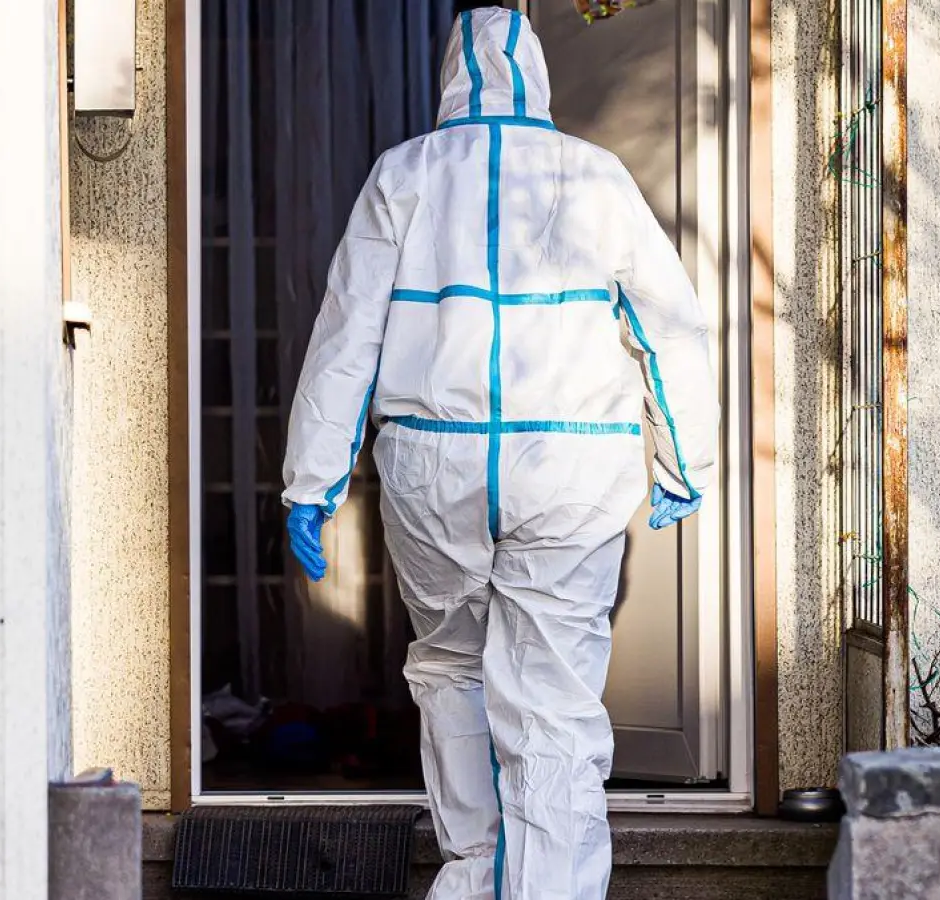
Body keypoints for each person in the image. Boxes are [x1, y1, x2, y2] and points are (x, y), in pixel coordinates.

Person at [278, 5, 718, 898]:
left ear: (448, 76)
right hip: (569, 467)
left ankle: (474, 872)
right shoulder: (595, 179)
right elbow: (667, 326)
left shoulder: (403, 173)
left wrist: (311, 480)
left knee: (449, 667)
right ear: (542, 80)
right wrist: (684, 459)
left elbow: (346, 335)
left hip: (432, 467)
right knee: (551, 700)